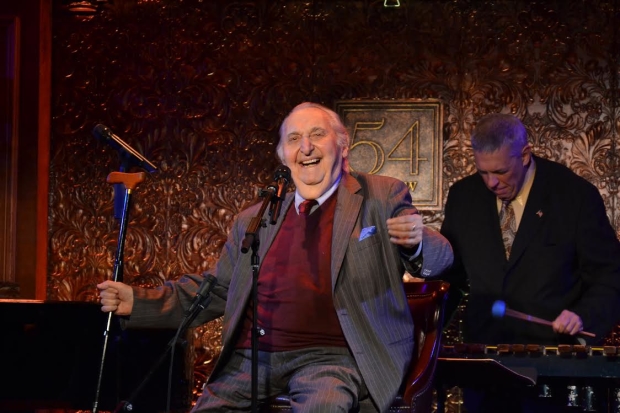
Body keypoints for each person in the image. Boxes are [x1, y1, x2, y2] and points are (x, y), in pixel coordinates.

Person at [98, 102, 454, 412]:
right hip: (254, 358)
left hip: (334, 358)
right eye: (294, 139)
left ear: (343, 146)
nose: (306, 147)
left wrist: (417, 241)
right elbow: (216, 289)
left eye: (317, 134)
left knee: (323, 406)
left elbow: (441, 259)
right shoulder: (256, 218)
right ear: (283, 155)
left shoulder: (380, 195)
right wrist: (139, 302)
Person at [440, 113, 620, 412]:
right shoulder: (463, 196)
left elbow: (611, 275)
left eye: (500, 171)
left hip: (554, 360)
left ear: (524, 155)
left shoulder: (573, 195)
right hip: (486, 361)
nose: (491, 183)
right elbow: (452, 277)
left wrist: (582, 315)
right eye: (483, 172)